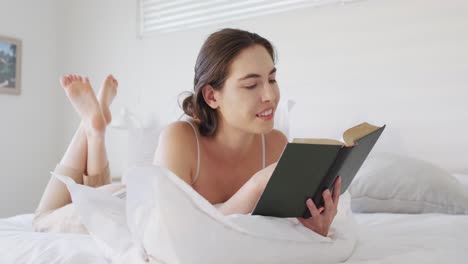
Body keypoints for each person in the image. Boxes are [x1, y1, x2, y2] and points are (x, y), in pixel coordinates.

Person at [34, 28, 341, 237]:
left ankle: (96, 129)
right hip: (129, 206)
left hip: (148, 203)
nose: (270, 96)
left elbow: (266, 230)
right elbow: (172, 231)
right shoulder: (180, 138)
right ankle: (90, 129)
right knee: (42, 220)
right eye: (251, 85)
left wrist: (313, 227)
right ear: (212, 96)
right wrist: (256, 185)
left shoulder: (275, 144)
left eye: (272, 80)